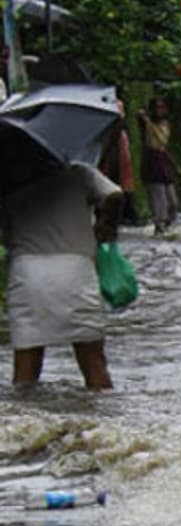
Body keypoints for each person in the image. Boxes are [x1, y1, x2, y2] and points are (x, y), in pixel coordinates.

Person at [2, 162, 123, 389]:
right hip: (76, 270)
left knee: (26, 369)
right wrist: (105, 230)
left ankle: (22, 421)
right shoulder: (79, 171)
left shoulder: (8, 176)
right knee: (93, 363)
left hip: (27, 272)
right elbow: (114, 195)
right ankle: (106, 421)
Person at [137, 97, 179, 234]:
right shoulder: (146, 124)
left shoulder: (164, 124)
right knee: (158, 196)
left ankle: (167, 224)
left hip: (163, 161)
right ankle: (159, 224)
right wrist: (144, 119)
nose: (159, 111)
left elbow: (163, 140)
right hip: (152, 160)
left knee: (172, 201)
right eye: (157, 108)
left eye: (162, 107)